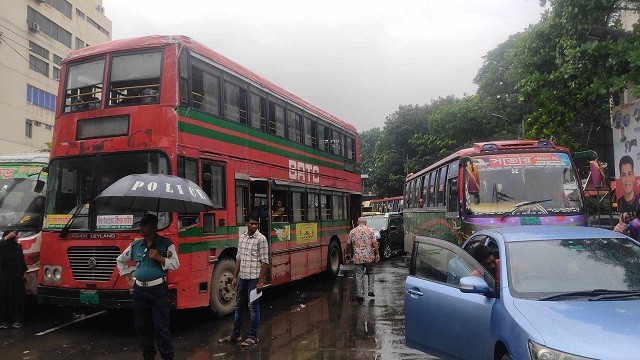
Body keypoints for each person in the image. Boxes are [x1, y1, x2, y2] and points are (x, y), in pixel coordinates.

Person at [116, 214, 180, 360]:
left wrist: (160, 258)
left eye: (144, 225)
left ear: (152, 227)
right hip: (140, 291)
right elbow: (120, 260)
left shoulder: (166, 244)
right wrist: (127, 277)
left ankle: (167, 356)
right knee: (142, 326)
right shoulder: (135, 245)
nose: (141, 228)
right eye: (141, 225)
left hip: (158, 290)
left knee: (161, 327)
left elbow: (175, 264)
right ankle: (148, 355)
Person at [218, 212, 268, 346]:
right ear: (246, 223)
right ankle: (236, 334)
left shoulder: (261, 239)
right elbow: (238, 258)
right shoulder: (242, 238)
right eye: (251, 223)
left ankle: (253, 336)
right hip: (243, 278)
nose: (254, 226)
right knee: (239, 306)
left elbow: (265, 262)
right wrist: (234, 277)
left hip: (254, 279)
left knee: (253, 307)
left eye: (256, 224)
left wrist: (261, 281)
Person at [347, 217, 380, 302]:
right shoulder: (370, 231)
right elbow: (375, 243)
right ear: (365, 223)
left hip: (358, 257)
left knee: (359, 275)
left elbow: (348, 244)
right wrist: (377, 253)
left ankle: (360, 295)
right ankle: (371, 291)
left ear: (358, 222)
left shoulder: (352, 231)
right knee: (371, 272)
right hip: (369, 256)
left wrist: (348, 254)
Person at [0, 230, 27, 329]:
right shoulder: (2, 247)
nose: (18, 238)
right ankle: (4, 321)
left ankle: (17, 320)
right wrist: (6, 238)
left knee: (17, 298)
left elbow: (21, 260)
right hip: (5, 276)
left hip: (17, 276)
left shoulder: (18, 247)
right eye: (16, 236)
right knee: (5, 297)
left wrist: (24, 272)